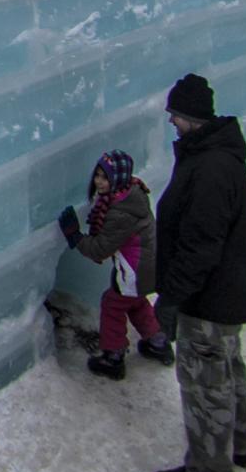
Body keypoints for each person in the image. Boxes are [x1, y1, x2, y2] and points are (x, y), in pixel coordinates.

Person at [149, 73, 246, 472]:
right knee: (228, 371)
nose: (172, 120)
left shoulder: (211, 168)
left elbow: (199, 247)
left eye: (176, 114)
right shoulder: (217, 155)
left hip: (208, 299)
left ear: (193, 117)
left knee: (205, 385)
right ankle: (240, 444)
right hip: (226, 292)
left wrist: (173, 298)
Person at [57, 149, 174, 379]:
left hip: (135, 270)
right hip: (149, 267)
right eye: (97, 175)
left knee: (112, 304)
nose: (99, 182)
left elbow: (101, 248)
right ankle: (157, 342)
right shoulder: (131, 194)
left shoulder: (119, 212)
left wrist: (75, 237)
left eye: (105, 177)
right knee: (135, 302)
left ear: (117, 179)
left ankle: (113, 356)